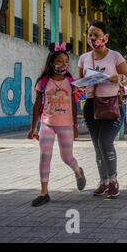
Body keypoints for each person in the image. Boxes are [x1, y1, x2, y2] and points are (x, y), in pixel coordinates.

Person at [28, 42, 86, 207]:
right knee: (45, 156)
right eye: (59, 61)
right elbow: (37, 105)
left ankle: (77, 170)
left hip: (66, 125)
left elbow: (74, 106)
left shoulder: (71, 82)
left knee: (66, 157)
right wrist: (33, 127)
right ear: (52, 63)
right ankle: (44, 192)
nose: (63, 64)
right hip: (47, 124)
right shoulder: (43, 82)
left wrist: (75, 126)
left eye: (65, 61)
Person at [78, 21, 127, 198]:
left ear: (105, 37)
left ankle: (114, 180)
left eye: (96, 34)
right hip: (91, 105)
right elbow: (80, 84)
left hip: (111, 104)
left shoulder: (115, 56)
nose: (93, 38)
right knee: (97, 146)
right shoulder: (83, 58)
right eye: (90, 35)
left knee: (105, 142)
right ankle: (104, 182)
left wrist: (120, 78)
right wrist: (78, 89)